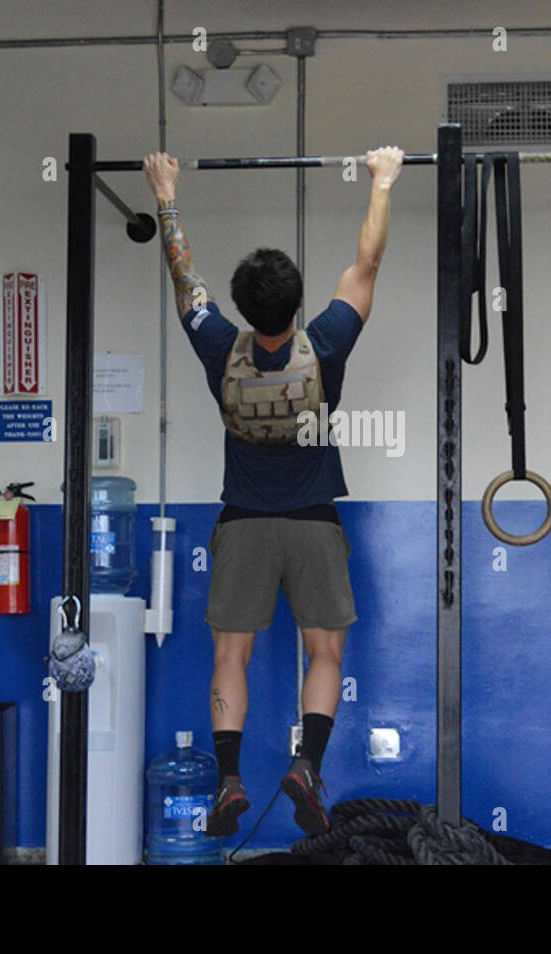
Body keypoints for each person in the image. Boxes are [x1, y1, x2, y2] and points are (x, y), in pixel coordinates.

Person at [142, 146, 404, 837]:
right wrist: (380, 180)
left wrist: (166, 193)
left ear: (245, 307)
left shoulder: (216, 345)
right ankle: (306, 766)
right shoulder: (327, 342)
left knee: (232, 655)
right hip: (314, 523)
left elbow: (182, 274)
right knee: (325, 652)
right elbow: (367, 264)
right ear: (295, 302)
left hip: (244, 524)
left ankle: (230, 778)